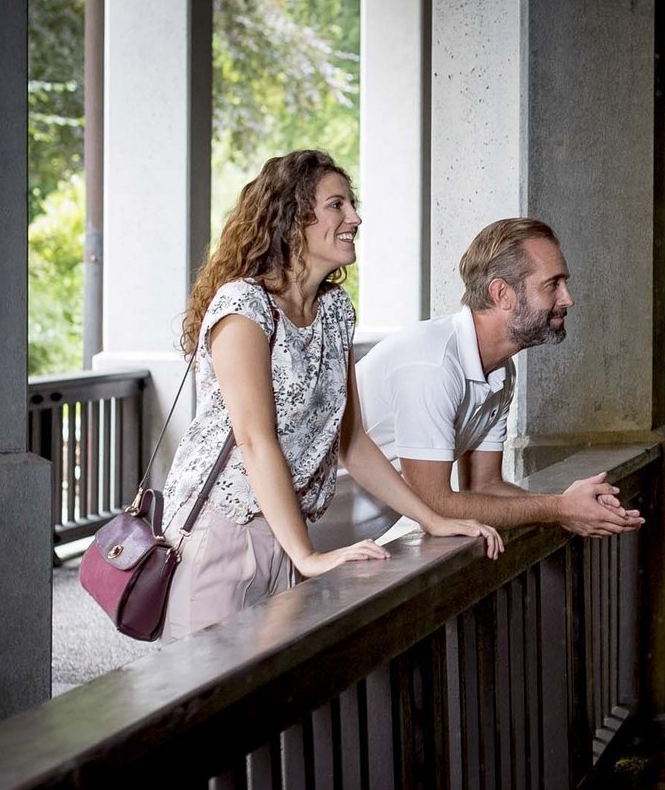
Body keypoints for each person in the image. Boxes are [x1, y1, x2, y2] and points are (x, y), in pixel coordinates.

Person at [158, 149, 502, 641]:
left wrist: (433, 518)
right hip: (222, 533)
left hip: (287, 530)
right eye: (337, 205)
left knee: (274, 698)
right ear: (292, 219)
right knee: (203, 703)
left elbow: (353, 442)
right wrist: (308, 555)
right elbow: (255, 441)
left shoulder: (335, 310)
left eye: (351, 204)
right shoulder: (242, 306)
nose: (355, 218)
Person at [351, 217, 646, 539]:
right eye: (552, 284)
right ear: (502, 293)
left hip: (345, 541)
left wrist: (569, 506)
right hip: (301, 540)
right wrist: (559, 508)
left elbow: (484, 486)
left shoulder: (500, 368)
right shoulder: (432, 363)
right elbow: (433, 503)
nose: (567, 299)